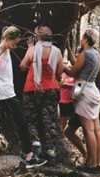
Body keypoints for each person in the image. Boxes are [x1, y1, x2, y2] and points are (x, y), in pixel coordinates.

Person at [0, 26, 40, 172]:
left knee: (21, 123)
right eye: (14, 42)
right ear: (7, 39)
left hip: (9, 94)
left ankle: (29, 155)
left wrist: (30, 45)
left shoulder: (7, 51)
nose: (15, 46)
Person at [19, 24, 67, 164]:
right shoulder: (57, 52)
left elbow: (22, 66)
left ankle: (36, 147)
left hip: (32, 88)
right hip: (51, 89)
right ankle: (51, 151)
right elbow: (59, 73)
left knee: (31, 118)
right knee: (49, 120)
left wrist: (32, 63)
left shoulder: (32, 50)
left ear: (38, 37)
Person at [65, 28, 100, 174]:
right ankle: (97, 162)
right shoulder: (95, 54)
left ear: (86, 39)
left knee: (88, 130)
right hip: (93, 89)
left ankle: (91, 164)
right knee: (96, 129)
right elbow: (82, 67)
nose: (81, 40)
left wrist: (62, 66)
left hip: (83, 88)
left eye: (82, 38)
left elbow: (73, 72)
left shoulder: (85, 53)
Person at [58, 73, 86, 158]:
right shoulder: (64, 71)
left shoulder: (83, 72)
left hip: (78, 104)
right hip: (64, 103)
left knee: (88, 132)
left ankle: (88, 157)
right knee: (64, 130)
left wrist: (74, 96)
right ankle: (87, 156)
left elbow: (81, 83)